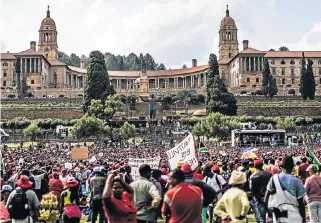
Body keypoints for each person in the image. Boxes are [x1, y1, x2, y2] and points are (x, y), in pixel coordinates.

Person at [264, 156, 305, 223]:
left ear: (281, 166)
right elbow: (301, 203)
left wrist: (269, 213)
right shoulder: (297, 181)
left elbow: (266, 198)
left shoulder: (274, 178)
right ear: (292, 167)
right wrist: (303, 219)